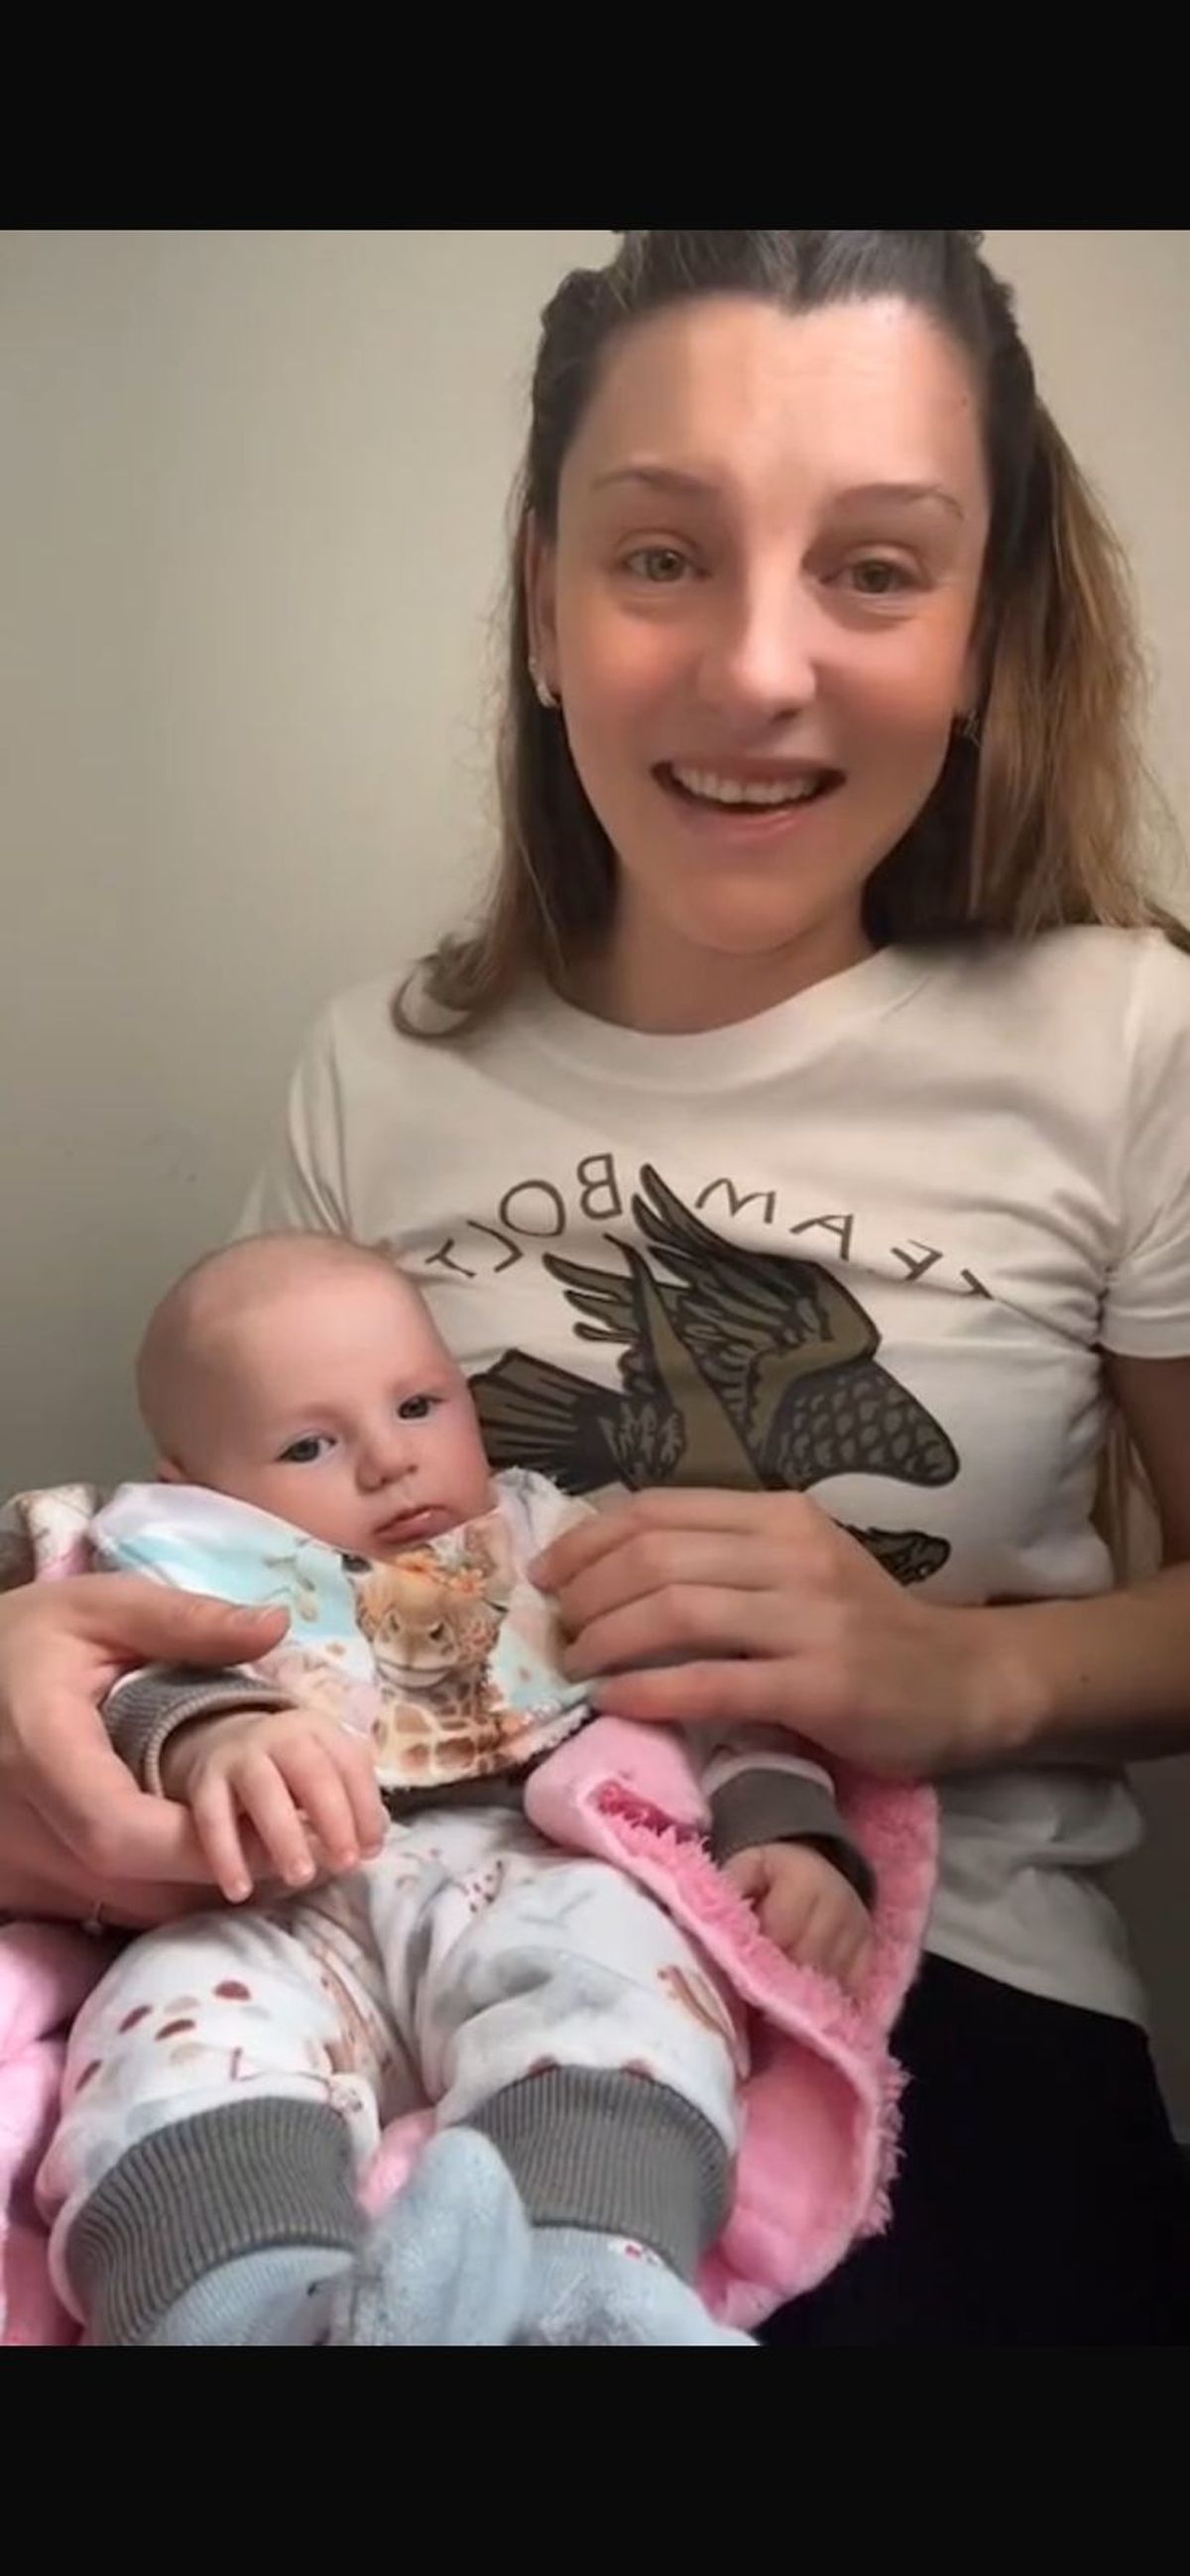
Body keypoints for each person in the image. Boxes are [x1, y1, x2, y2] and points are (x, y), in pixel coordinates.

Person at [4, 228, 1190, 2343]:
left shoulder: (1128, 1039)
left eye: (876, 568)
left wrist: (958, 1680)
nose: (757, 670)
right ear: (546, 604)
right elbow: (216, 1554)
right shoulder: (379, 1068)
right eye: (662, 558)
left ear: (987, 630)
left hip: (916, 1981)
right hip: (342, 1959)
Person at [38, 1229, 882, 2345]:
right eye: (309, 1445)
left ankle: (586, 2286)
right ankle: (239, 2310)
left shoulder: (552, 1546)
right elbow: (116, 1697)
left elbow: (715, 1691)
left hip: (533, 1868)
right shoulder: (191, 1571)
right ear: (192, 1488)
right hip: (273, 1907)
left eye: (418, 1406)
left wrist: (788, 1831)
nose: (390, 1461)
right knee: (169, 2037)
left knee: (622, 1987)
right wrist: (214, 1741)